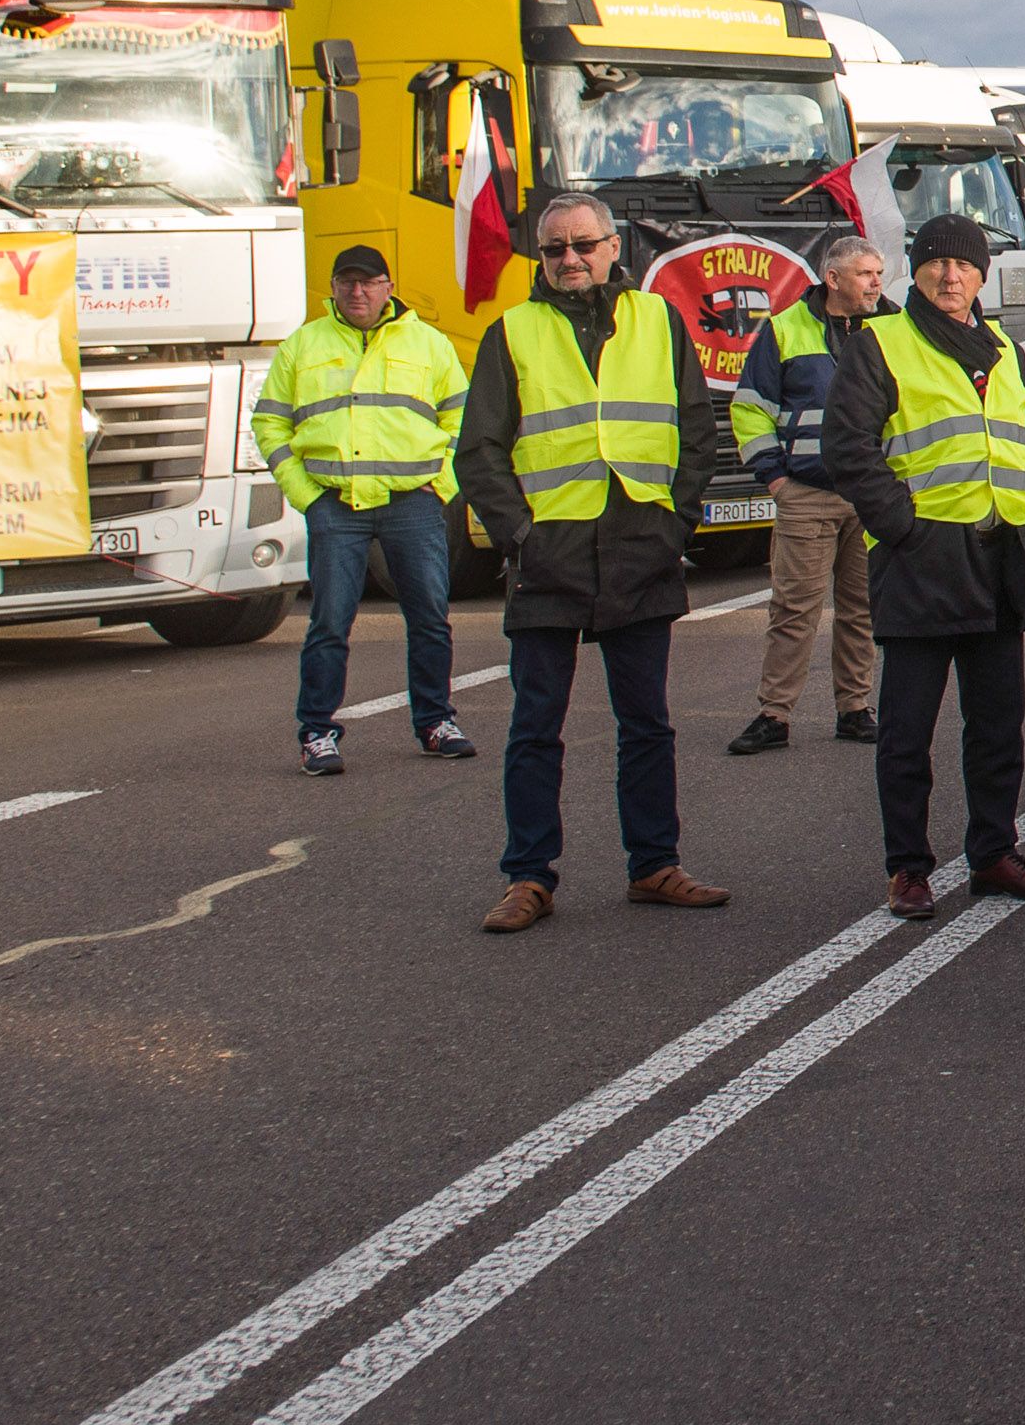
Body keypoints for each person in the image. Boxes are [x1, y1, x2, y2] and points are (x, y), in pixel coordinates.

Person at [456, 190, 733, 931]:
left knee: (646, 723)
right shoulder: (512, 331)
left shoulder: (658, 319)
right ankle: (528, 876)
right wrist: (520, 536)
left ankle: (654, 864)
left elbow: (697, 429)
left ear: (614, 248)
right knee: (535, 727)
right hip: (550, 553)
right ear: (541, 257)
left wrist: (674, 523)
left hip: (641, 543)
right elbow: (478, 452)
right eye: (555, 248)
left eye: (584, 244)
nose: (570, 259)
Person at [823, 210, 1025, 916]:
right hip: (922, 562)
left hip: (1002, 559)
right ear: (917, 270)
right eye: (936, 262)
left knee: (998, 726)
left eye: (963, 263)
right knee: (907, 733)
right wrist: (901, 526)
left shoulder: (1003, 347)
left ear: (982, 275)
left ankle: (994, 853)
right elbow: (848, 447)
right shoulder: (881, 344)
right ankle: (908, 870)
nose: (950, 275)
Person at [253, 243, 476, 775]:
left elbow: (463, 419)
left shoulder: (429, 343)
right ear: (332, 288)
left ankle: (435, 722)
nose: (357, 292)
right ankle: (317, 733)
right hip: (335, 505)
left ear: (388, 288)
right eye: (347, 282)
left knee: (430, 619)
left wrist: (441, 486)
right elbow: (269, 424)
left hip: (413, 503)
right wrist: (307, 496)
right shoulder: (303, 344)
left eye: (368, 282)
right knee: (329, 623)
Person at [722, 228, 887, 756]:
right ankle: (775, 715)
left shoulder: (893, 326)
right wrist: (775, 479)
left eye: (879, 274)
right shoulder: (785, 329)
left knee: (863, 609)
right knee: (794, 612)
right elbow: (750, 408)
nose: (875, 284)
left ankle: (855, 709)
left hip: (873, 496)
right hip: (808, 495)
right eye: (865, 274)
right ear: (832, 278)